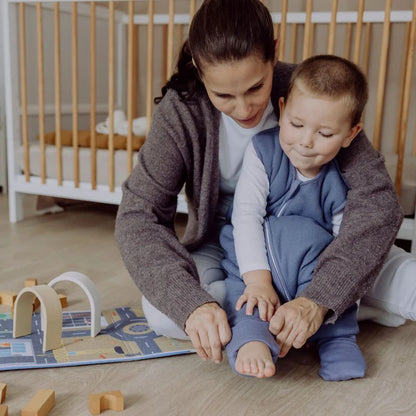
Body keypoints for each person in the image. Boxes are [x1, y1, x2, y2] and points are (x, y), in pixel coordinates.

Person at [115, 0, 413, 368]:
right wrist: (194, 306)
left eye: (256, 87)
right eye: (223, 95)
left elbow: (377, 200)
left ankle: (312, 310)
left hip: (317, 243)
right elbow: (137, 217)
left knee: (405, 278)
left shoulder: (310, 92)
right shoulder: (181, 110)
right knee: (166, 315)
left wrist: (318, 297)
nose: (243, 109)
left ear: (274, 51)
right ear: (199, 70)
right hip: (224, 248)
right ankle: (326, 312)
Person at [220, 55, 368, 380]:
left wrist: (325, 299)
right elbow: (246, 216)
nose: (305, 142)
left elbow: (346, 249)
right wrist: (258, 281)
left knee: (338, 291)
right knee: (244, 299)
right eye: (297, 125)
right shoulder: (262, 150)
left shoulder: (341, 179)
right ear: (283, 109)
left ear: (350, 133)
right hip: (260, 262)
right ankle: (251, 337)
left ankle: (338, 340)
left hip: (311, 272)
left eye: (325, 133)